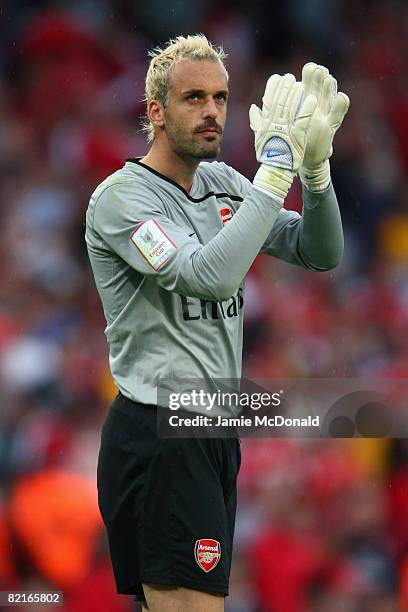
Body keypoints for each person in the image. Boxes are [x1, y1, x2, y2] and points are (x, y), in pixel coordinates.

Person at [85, 34, 349, 612]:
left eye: (221, 98)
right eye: (193, 98)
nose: (212, 112)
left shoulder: (225, 184)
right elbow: (210, 276)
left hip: (209, 431)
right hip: (162, 431)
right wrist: (275, 169)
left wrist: (315, 171)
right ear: (155, 112)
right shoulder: (121, 201)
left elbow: (320, 251)